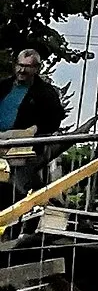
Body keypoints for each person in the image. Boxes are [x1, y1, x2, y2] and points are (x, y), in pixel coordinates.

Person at [0, 47, 67, 194]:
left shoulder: (45, 93)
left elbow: (53, 119)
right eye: (20, 65)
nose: (22, 71)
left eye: (27, 67)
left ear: (37, 68)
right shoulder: (3, 87)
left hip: (24, 150)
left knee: (17, 188)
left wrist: (28, 132)